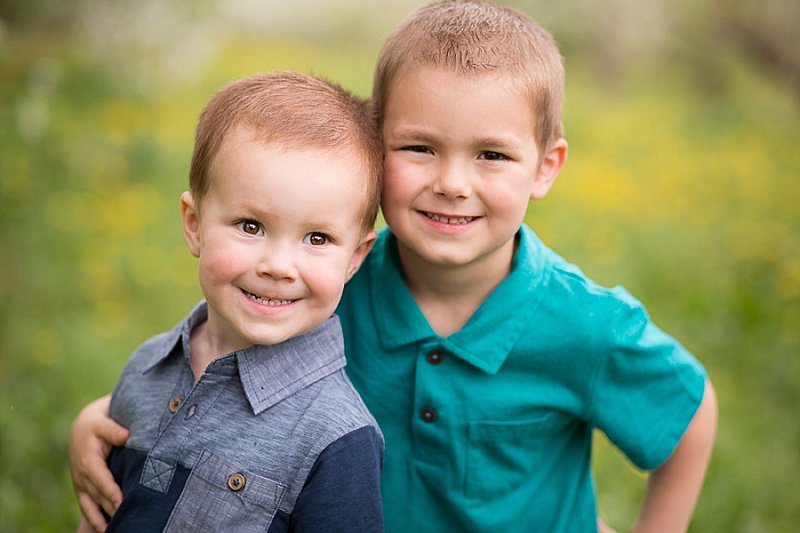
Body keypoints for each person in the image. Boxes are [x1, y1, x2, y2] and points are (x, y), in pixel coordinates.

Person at [71, 2, 717, 531]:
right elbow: (226, 368)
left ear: (546, 166)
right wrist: (102, 416)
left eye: (491, 154)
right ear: (375, 153)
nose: (452, 183)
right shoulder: (328, 283)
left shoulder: (584, 323)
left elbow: (689, 415)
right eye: (419, 147)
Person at [75, 70, 385, 532]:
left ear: (355, 258)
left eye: (317, 238)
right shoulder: (148, 367)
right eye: (251, 226)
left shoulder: (336, 438)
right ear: (195, 224)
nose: (279, 265)